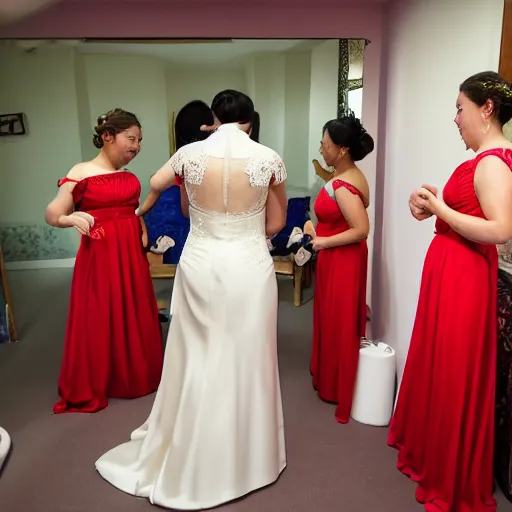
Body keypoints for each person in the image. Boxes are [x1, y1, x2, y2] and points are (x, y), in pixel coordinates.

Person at [95, 90, 288, 510]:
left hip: (201, 263)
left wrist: (193, 170)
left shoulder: (190, 154)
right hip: (248, 266)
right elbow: (275, 222)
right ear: (249, 119)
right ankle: (249, 456)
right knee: (248, 354)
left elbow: (156, 184)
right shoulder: (268, 157)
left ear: (214, 119)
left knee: (197, 353)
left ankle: (190, 443)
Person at [388, 71, 512, 511]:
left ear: (487, 109)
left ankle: (452, 470)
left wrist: (440, 207)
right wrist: (433, 206)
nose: (455, 118)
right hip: (452, 273)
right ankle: (434, 452)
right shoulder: (484, 158)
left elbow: (499, 227)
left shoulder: (494, 160)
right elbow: (471, 211)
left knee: (455, 368)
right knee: (442, 363)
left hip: (465, 279)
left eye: (460, 108)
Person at [45, 108, 163, 414]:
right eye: (131, 138)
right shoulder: (81, 171)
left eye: (140, 141)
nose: (136, 146)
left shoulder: (129, 177)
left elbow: (132, 212)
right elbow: (54, 212)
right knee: (99, 312)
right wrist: (70, 217)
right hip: (100, 255)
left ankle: (133, 376)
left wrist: (143, 230)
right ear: (108, 136)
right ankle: (102, 378)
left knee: (132, 308)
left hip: (131, 255)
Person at [310, 115, 373, 424]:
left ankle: (338, 385)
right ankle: (330, 377)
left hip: (342, 258)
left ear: (343, 149)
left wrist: (321, 241)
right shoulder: (345, 175)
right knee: (335, 317)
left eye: (326, 144)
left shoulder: (346, 184)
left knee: (339, 320)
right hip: (340, 256)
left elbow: (361, 229)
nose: (321, 148)